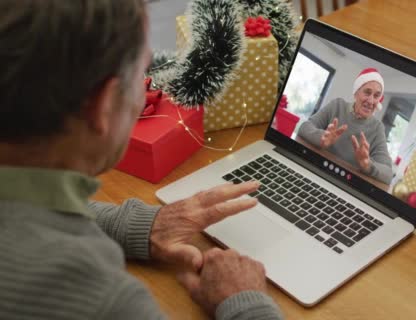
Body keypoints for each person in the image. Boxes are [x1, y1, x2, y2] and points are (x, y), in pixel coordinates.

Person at [0, 1, 282, 319]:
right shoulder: (105, 301)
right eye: (143, 74)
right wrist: (245, 301)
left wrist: (138, 227)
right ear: (103, 106)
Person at [298, 68, 393, 184]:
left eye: (376, 96)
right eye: (367, 92)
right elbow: (304, 127)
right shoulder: (337, 106)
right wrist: (321, 138)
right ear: (356, 92)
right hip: (316, 170)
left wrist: (368, 165)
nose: (371, 101)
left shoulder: (377, 128)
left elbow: (388, 174)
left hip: (346, 184)